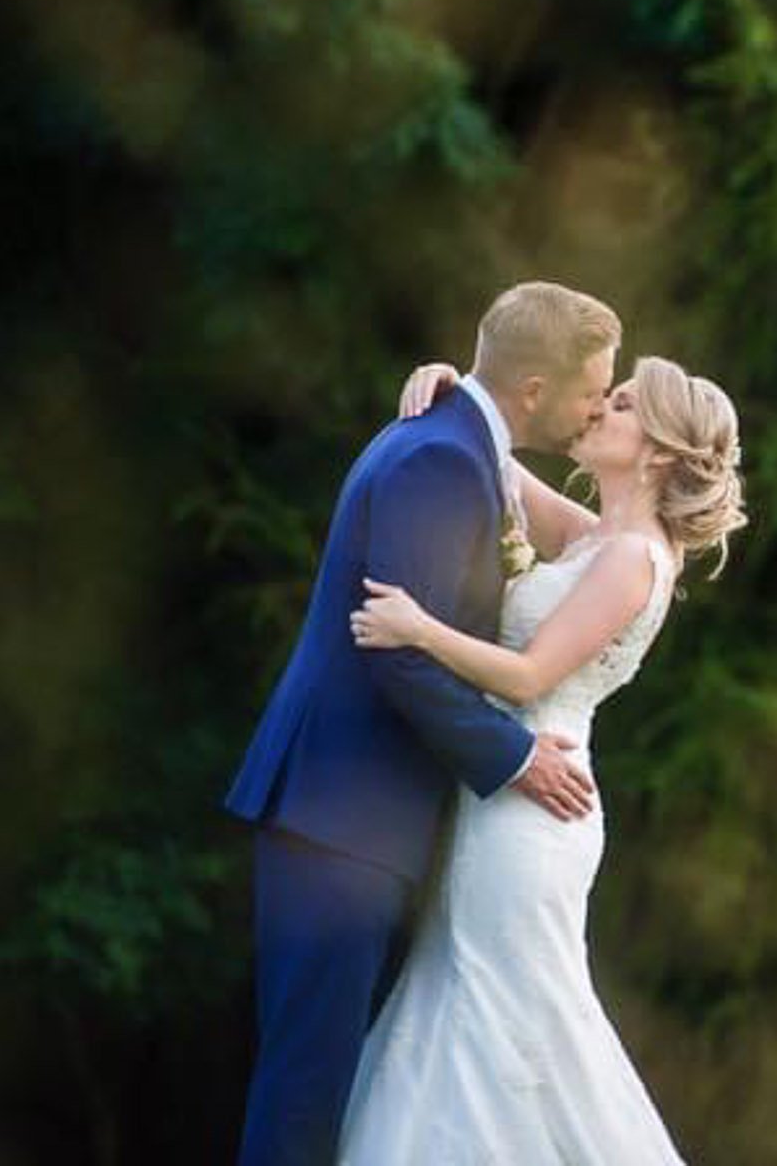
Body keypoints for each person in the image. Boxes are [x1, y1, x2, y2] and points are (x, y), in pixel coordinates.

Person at [226, 281, 621, 1166]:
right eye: (593, 386)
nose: (599, 402)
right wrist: (516, 757)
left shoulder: (459, 441)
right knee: (306, 1080)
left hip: (350, 815)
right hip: (340, 812)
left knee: (315, 1074)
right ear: (532, 391)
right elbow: (394, 649)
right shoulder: (443, 458)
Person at [333, 351, 747, 1164]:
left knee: (503, 1013)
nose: (600, 409)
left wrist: (418, 628)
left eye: (621, 403)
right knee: (467, 1000)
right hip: (502, 796)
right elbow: (502, 465)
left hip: (534, 812)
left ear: (659, 450)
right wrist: (457, 387)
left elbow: (529, 673)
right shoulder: (601, 537)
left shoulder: (634, 559)